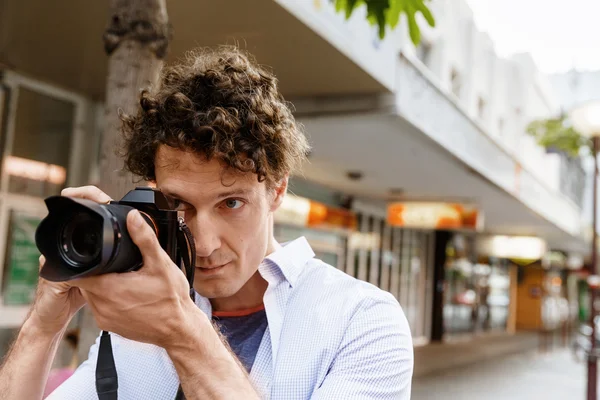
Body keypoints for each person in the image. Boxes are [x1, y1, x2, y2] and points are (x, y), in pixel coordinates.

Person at [0, 46, 413, 399]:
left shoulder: (361, 319)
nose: (204, 242)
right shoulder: (138, 314)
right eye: (179, 205)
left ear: (277, 190)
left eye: (231, 202)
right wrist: (44, 323)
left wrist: (181, 332)